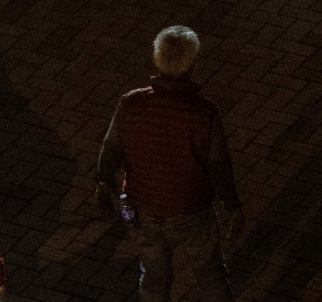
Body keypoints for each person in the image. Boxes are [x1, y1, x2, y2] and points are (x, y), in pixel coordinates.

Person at [96, 25, 245, 302]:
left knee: (153, 278)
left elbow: (111, 148)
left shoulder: (131, 103)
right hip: (191, 210)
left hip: (141, 208)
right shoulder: (204, 113)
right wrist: (232, 206)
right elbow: (219, 166)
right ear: (193, 64)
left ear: (156, 58)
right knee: (210, 277)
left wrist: (104, 182)